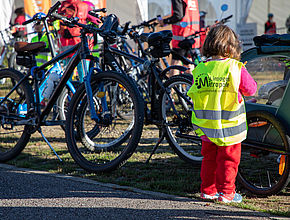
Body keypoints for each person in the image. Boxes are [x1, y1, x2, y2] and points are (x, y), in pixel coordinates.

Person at [187, 25, 257, 203]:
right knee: (228, 161)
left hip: (206, 127)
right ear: (230, 48)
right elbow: (251, 89)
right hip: (230, 127)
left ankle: (208, 191)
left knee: (209, 160)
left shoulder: (200, 69)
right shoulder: (235, 68)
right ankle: (227, 193)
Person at [158, 0, 200, 75]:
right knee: (189, 63)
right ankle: (191, 84)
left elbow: (178, 15)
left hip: (181, 36)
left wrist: (164, 21)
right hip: (192, 35)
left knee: (175, 64)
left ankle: (173, 86)